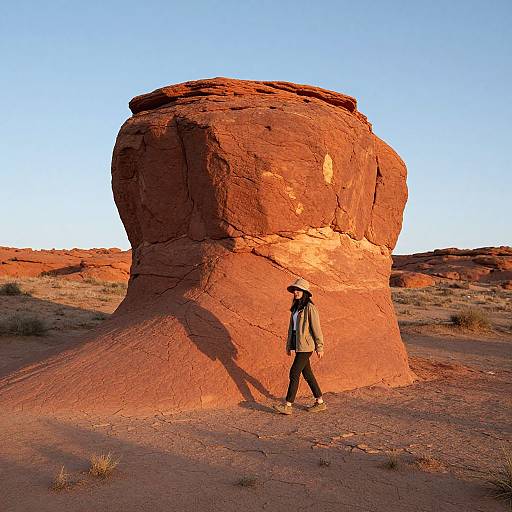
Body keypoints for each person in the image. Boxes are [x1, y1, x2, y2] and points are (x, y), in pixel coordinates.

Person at [273, 278, 326, 415]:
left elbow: (316, 328)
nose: (295, 292)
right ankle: (320, 402)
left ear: (304, 292)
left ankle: (288, 405)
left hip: (306, 346)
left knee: (294, 373)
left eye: (298, 290)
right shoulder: (296, 308)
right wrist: (288, 346)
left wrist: (319, 346)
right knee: (307, 374)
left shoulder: (310, 308)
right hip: (298, 345)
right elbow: (292, 329)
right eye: (294, 290)